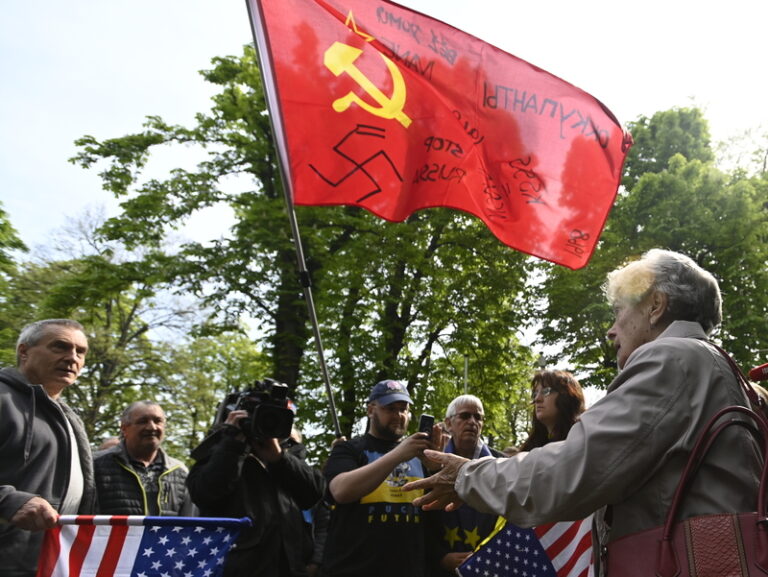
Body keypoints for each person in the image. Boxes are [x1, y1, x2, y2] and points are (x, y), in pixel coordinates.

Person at [404, 249, 762, 575]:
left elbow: (574, 470)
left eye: (619, 311)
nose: (611, 330)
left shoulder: (670, 359)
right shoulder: (735, 378)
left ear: (656, 305)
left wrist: (468, 477)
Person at [187, 397, 325, 577]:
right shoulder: (219, 451)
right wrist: (232, 444)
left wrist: (278, 458)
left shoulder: (289, 456)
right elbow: (204, 493)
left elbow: (315, 493)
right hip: (235, 569)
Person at [0, 319, 96, 577]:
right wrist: (7, 500)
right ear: (24, 352)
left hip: (56, 563)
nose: (72, 358)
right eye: (60, 347)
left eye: (80, 351)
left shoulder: (69, 418)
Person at [320, 379, 439, 577]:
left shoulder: (421, 456)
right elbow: (341, 491)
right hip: (351, 569)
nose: (398, 415)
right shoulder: (349, 449)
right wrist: (399, 454)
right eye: (390, 408)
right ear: (370, 410)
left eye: (404, 409)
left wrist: (436, 470)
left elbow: (437, 516)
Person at [426, 394, 505, 576]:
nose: (472, 422)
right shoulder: (430, 462)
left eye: (478, 417)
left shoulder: (502, 464)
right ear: (448, 423)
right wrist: (440, 557)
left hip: (489, 564)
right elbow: (420, 521)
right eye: (464, 416)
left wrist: (489, 554)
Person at [93, 400, 195, 515]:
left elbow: (189, 524)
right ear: (124, 428)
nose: (151, 427)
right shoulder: (96, 465)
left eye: (158, 421)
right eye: (143, 421)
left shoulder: (180, 471)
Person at [519, 369, 585, 450]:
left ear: (566, 397)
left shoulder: (583, 440)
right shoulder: (531, 447)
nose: (537, 399)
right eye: (535, 393)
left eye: (546, 391)